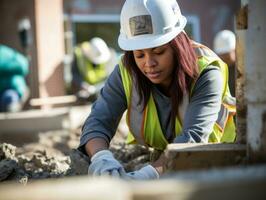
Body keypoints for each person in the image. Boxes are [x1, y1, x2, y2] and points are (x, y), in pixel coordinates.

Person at [78, 0, 236, 180]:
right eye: (139, 55)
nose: (149, 63)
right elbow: (98, 120)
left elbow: (193, 140)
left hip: (220, 162)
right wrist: (100, 158)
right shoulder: (126, 71)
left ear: (177, 45)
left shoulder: (206, 72)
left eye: (159, 52)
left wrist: (147, 175)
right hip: (166, 160)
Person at [71, 37, 117, 101]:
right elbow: (75, 74)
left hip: (102, 90)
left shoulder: (111, 56)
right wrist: (83, 84)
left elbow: (111, 79)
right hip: (85, 92)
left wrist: (95, 88)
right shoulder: (79, 54)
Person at [0, 44, 29, 112]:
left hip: (11, 91)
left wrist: (3, 69)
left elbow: (23, 66)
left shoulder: (5, 52)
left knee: (9, 97)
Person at [214, 30, 236, 96]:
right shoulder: (219, 70)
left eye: (226, 55)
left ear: (234, 49)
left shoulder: (244, 67)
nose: (223, 58)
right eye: (221, 55)